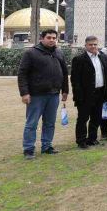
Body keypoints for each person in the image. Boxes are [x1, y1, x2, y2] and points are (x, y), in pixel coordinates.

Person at [18, 29, 69, 159]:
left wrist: (65, 90)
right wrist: (24, 93)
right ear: (42, 39)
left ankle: (47, 146)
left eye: (54, 38)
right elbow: (22, 74)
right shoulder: (31, 53)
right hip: (36, 95)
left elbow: (64, 72)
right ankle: (28, 149)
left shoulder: (59, 52)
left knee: (50, 123)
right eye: (49, 37)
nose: (52, 40)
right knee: (32, 123)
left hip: (54, 94)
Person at [71, 35, 107, 148]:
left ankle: (92, 139)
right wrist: (78, 96)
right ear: (86, 46)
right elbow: (75, 80)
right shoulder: (79, 59)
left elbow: (106, 75)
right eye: (90, 44)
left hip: (100, 92)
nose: (93, 46)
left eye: (95, 44)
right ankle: (81, 141)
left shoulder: (102, 57)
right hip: (85, 95)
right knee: (83, 118)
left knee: (96, 117)